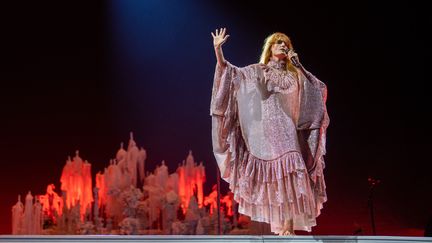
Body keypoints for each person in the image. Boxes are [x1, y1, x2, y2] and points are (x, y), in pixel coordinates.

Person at [210, 28, 329, 235]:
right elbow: (230, 72)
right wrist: (218, 51)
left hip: (288, 130)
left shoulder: (295, 75)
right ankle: (283, 227)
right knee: (278, 178)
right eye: (279, 43)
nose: (284, 46)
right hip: (267, 133)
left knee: (293, 171)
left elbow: (317, 88)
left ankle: (289, 226)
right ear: (270, 48)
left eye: (286, 43)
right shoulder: (259, 70)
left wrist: (299, 65)